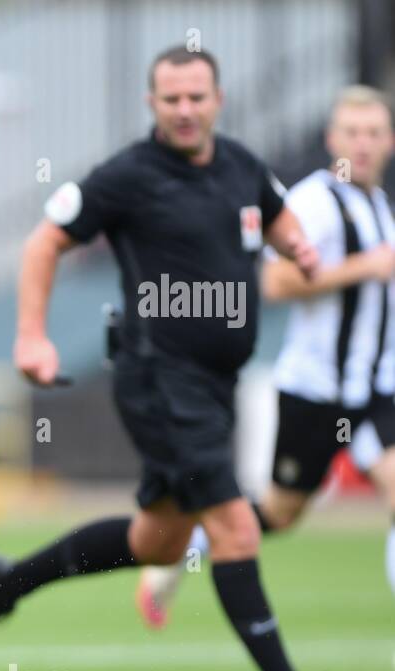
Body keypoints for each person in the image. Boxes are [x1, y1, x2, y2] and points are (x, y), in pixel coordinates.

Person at [0, 46, 374, 671]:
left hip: (215, 387)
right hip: (157, 380)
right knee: (237, 528)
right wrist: (32, 337)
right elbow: (44, 242)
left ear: (218, 100)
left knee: (159, 542)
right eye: (171, 98)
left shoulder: (243, 164)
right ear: (153, 104)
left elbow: (275, 217)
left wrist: (299, 249)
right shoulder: (128, 175)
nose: (185, 109)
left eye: (196, 97)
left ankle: (7, 583)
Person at [137, 85, 395, 627]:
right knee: (281, 510)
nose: (363, 144)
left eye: (373, 133)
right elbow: (274, 282)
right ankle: (195, 543)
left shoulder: (377, 204)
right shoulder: (315, 201)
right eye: (353, 132)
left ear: (389, 140)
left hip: (375, 390)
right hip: (317, 389)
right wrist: (364, 266)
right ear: (331, 138)